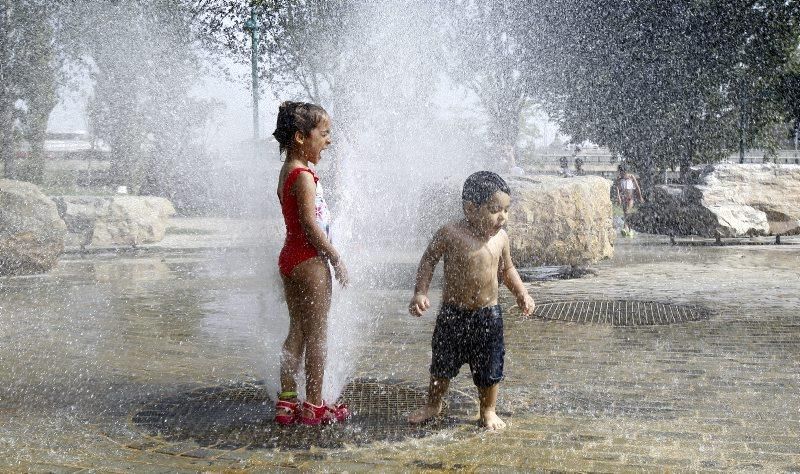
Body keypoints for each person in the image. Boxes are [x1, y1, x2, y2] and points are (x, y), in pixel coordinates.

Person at [407, 171, 536, 430]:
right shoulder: (450, 233)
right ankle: (433, 404)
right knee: (441, 365)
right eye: (494, 209)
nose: (503, 217)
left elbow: (507, 269)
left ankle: (488, 410)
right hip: (453, 314)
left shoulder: (501, 238)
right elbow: (428, 261)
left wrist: (522, 293)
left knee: (490, 366)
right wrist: (421, 292)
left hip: (488, 315)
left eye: (506, 210)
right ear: (470, 208)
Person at [272, 101, 349, 426]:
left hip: (290, 258)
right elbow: (309, 223)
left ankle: (287, 400)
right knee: (318, 335)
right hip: (309, 260)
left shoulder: (288, 170)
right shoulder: (303, 177)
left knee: (298, 332)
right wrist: (334, 256)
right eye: (324, 133)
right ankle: (314, 405)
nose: (328, 141)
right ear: (301, 137)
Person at [615, 163, 643, 235]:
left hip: (630, 198)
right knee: (625, 214)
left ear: (626, 171)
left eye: (623, 172)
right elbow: (617, 188)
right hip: (623, 197)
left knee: (627, 212)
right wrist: (618, 197)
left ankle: (625, 227)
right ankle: (629, 229)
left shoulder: (631, 177)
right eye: (620, 171)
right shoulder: (619, 178)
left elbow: (637, 187)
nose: (621, 173)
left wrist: (640, 197)